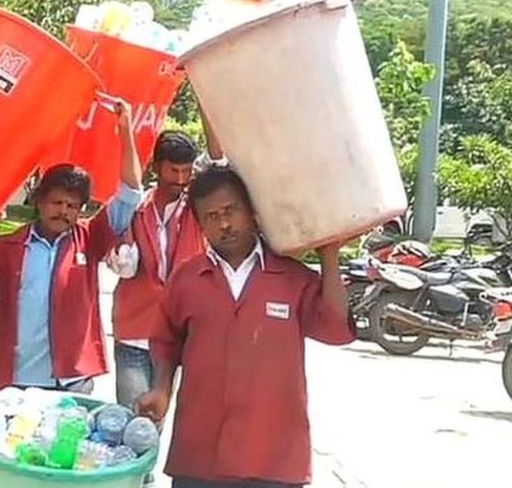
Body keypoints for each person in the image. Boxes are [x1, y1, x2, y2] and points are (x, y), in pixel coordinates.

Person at [137, 163, 356, 488]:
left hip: (274, 459)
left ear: (253, 212)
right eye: (212, 217)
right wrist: (161, 390)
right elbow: (165, 343)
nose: (224, 224)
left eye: (231, 211)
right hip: (199, 457)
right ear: (200, 225)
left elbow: (336, 330)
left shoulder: (293, 279)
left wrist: (330, 256)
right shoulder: (186, 280)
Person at [0, 101, 143, 394]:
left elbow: (131, 193)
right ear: (39, 201)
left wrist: (125, 129)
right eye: (57, 202)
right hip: (14, 381)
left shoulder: (90, 238)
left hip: (71, 380)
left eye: (72, 206)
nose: (64, 211)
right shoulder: (9, 246)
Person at [108, 130, 206, 410]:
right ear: (155, 166)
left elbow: (219, 163)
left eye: (187, 171)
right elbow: (119, 259)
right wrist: (120, 250)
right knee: (133, 419)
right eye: (174, 170)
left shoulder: (197, 209)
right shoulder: (134, 208)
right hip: (134, 331)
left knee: (157, 419)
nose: (181, 179)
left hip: (178, 334)